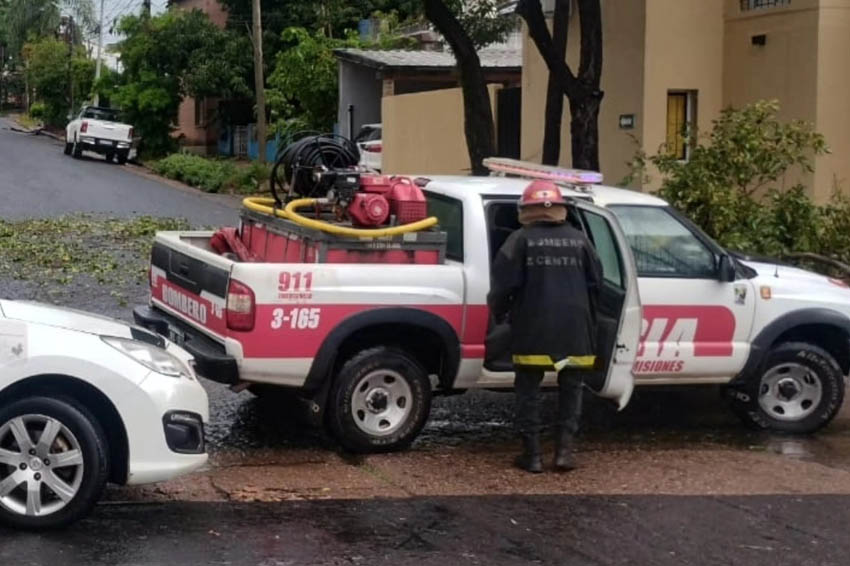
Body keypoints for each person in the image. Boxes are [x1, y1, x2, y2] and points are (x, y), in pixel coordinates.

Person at [487, 180, 603, 473]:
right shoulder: (581, 240)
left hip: (534, 324)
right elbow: (597, 283)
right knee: (572, 389)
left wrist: (498, 316)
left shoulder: (519, 240)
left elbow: (502, 287)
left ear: (527, 210)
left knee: (528, 390)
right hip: (576, 327)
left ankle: (533, 456)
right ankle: (564, 453)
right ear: (559, 209)